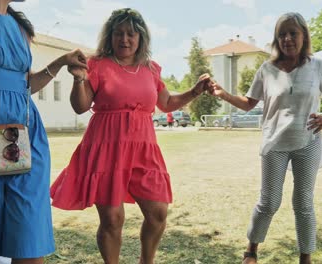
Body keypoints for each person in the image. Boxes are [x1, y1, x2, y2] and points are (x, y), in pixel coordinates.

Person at [49, 8, 210, 264]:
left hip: (144, 148)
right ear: (109, 37)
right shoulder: (97, 65)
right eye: (118, 34)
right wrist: (79, 79)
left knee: (157, 212)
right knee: (112, 219)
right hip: (106, 146)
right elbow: (80, 106)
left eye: (131, 34)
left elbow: (166, 103)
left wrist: (194, 91)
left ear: (141, 38)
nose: (124, 39)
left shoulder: (151, 69)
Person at [207, 12, 322, 264]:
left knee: (304, 203)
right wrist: (223, 94)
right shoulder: (267, 69)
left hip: (307, 143)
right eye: (282, 34)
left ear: (304, 36)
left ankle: (305, 257)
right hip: (274, 144)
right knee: (269, 202)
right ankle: (251, 251)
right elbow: (247, 103)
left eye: (293, 33)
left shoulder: (317, 66)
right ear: (277, 39)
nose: (287, 38)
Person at [0, 1, 88, 263]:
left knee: (30, 238)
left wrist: (61, 62)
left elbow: (23, 86)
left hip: (24, 138)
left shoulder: (19, 28)